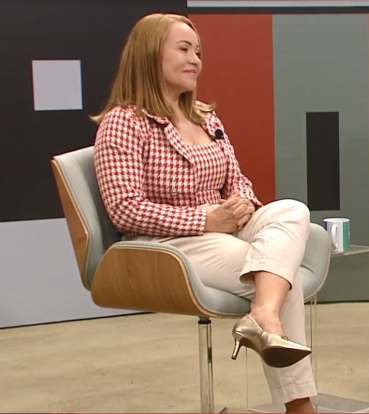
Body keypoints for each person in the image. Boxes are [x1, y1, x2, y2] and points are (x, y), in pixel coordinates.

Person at [91, 13, 319, 413]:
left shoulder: (204, 116)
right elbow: (125, 210)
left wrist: (243, 202)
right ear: (150, 54)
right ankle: (300, 405)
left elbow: (236, 178)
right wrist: (205, 220)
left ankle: (262, 315)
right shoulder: (124, 122)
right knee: (281, 276)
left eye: (197, 51)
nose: (195, 59)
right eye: (183, 49)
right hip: (169, 242)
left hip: (224, 225)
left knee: (292, 211)